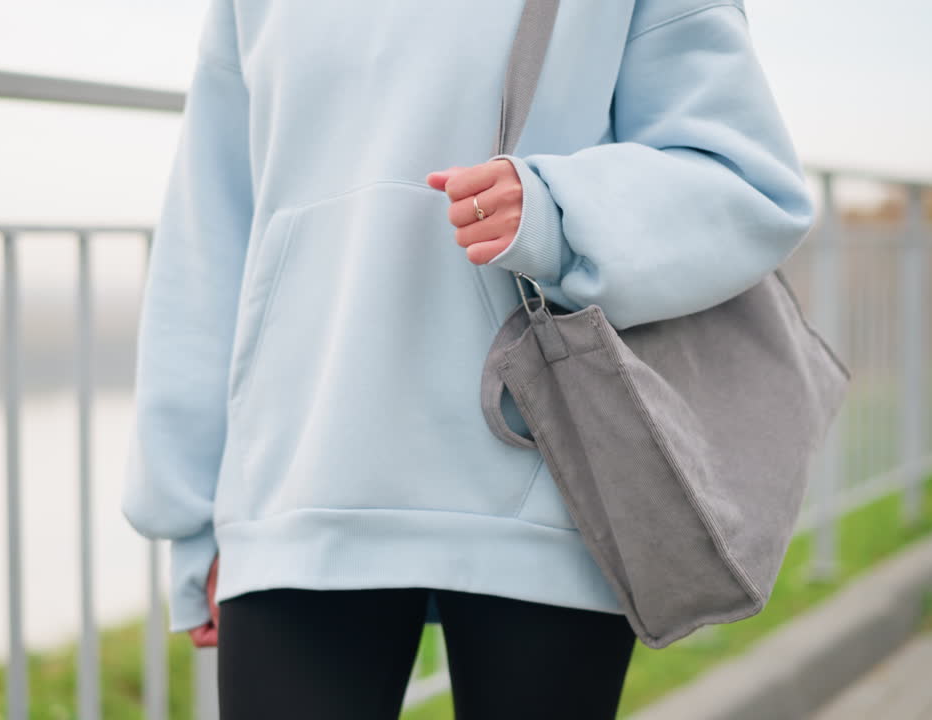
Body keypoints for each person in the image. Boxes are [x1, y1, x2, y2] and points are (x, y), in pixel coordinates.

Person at [121, 1, 814, 717]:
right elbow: (210, 227)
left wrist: (558, 212)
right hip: (294, 487)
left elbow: (746, 180)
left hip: (554, 479)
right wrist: (192, 517)